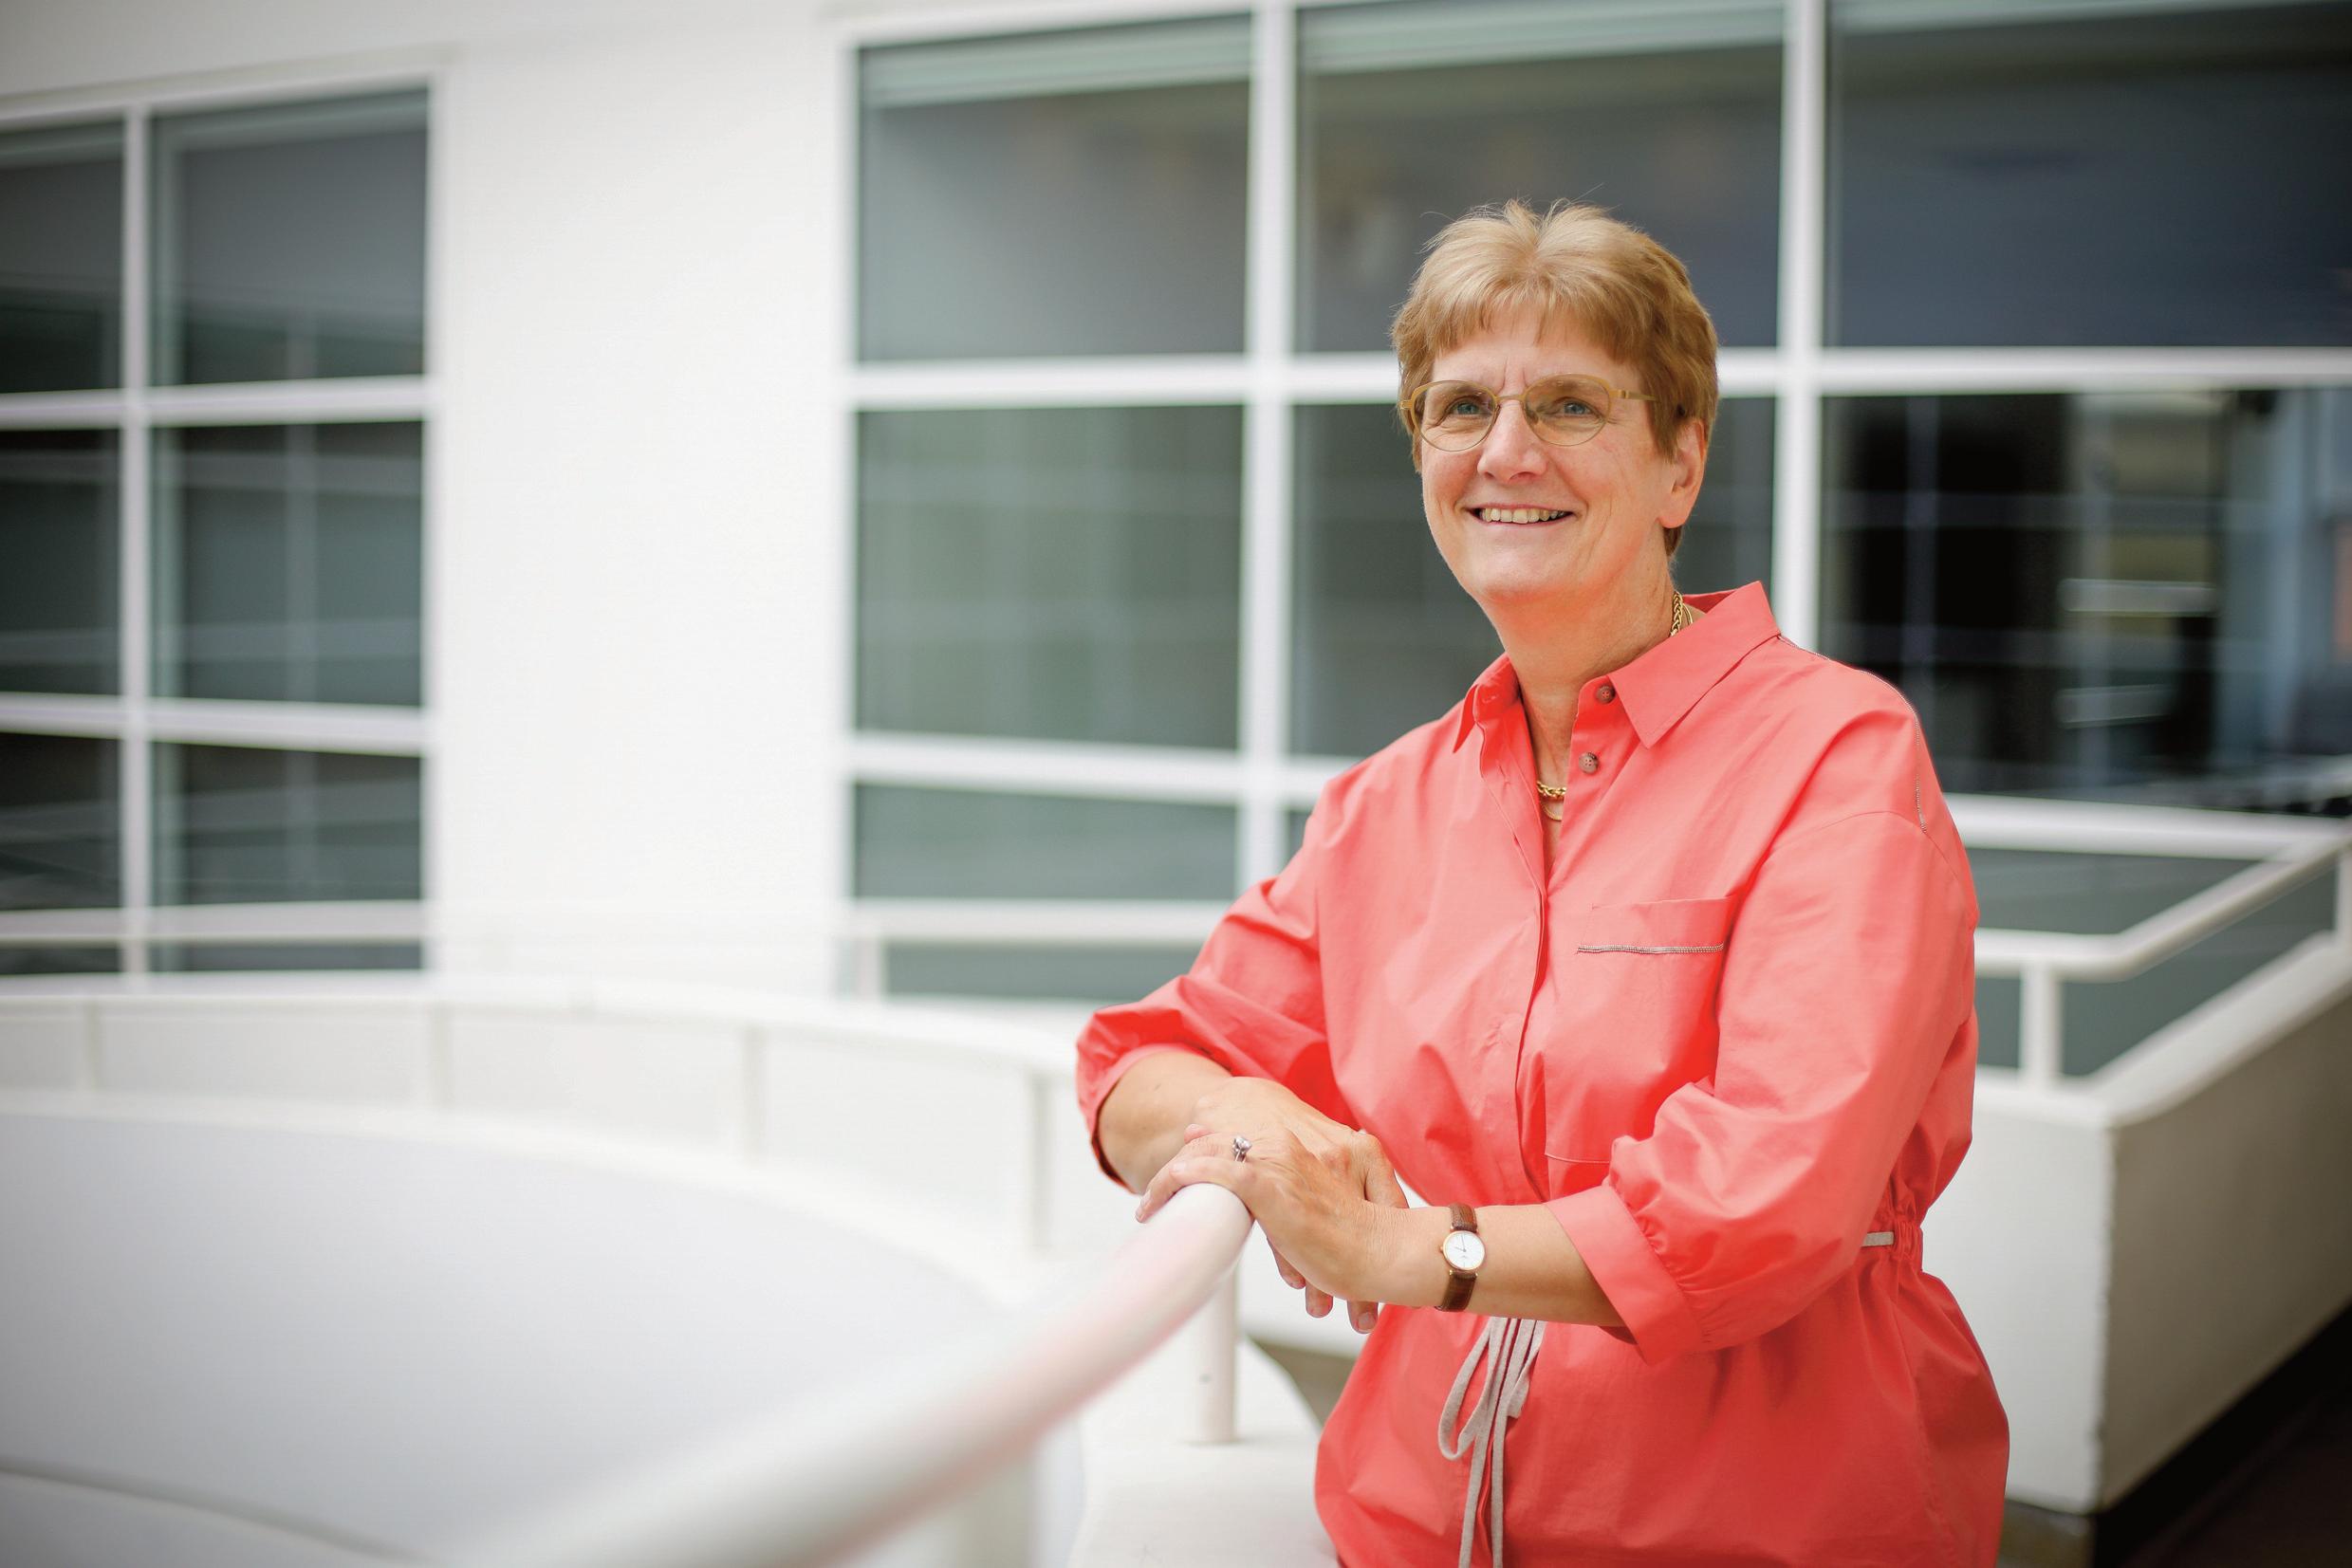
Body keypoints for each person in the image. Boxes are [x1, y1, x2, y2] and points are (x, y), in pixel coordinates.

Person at [1074, 199, 2008, 1566]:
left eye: (1570, 404)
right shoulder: (1387, 802)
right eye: (1461, 407)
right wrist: (1252, 1114)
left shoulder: (1837, 757)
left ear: (1680, 461)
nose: (1506, 452)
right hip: (1414, 1525)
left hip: (1762, 1526)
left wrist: (1411, 1253)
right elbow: (1132, 1067)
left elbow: (1769, 1191)